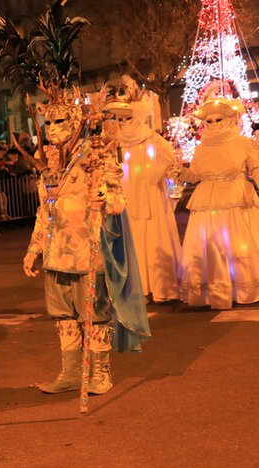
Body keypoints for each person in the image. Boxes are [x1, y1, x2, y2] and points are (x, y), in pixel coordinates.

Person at [20, 79, 150, 396]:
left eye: (59, 120)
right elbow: (44, 212)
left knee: (95, 316)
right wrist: (34, 248)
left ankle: (100, 373)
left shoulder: (97, 158)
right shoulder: (47, 167)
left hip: (89, 252)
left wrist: (103, 195)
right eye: (47, 121)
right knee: (64, 318)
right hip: (56, 255)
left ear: (75, 122)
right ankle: (70, 372)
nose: (52, 127)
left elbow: (119, 202)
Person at [104, 78, 183, 302]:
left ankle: (160, 288)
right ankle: (136, 290)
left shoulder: (154, 141)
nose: (123, 123)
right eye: (119, 119)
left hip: (151, 201)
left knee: (152, 241)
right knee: (131, 243)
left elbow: (171, 166)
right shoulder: (114, 144)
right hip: (124, 201)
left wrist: (159, 175)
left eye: (127, 118)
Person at [179, 94, 259, 309]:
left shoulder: (243, 143)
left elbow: (256, 167)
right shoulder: (201, 148)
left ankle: (242, 287)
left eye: (218, 120)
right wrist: (179, 171)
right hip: (207, 200)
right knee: (210, 246)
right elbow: (194, 175)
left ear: (229, 120)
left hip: (235, 197)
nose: (213, 124)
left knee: (237, 245)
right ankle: (214, 289)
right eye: (209, 121)